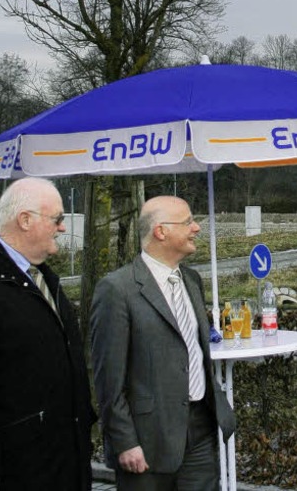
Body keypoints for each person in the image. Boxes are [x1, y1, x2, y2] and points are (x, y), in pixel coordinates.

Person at [90, 195, 235, 491]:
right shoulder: (117, 289)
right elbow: (108, 379)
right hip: (147, 440)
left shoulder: (192, 280)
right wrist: (125, 441)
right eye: (187, 222)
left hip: (201, 429)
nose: (196, 228)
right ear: (161, 231)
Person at [0, 177, 94, 491]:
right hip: (20, 470)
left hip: (65, 462)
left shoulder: (45, 278)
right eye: (57, 218)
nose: (62, 227)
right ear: (25, 220)